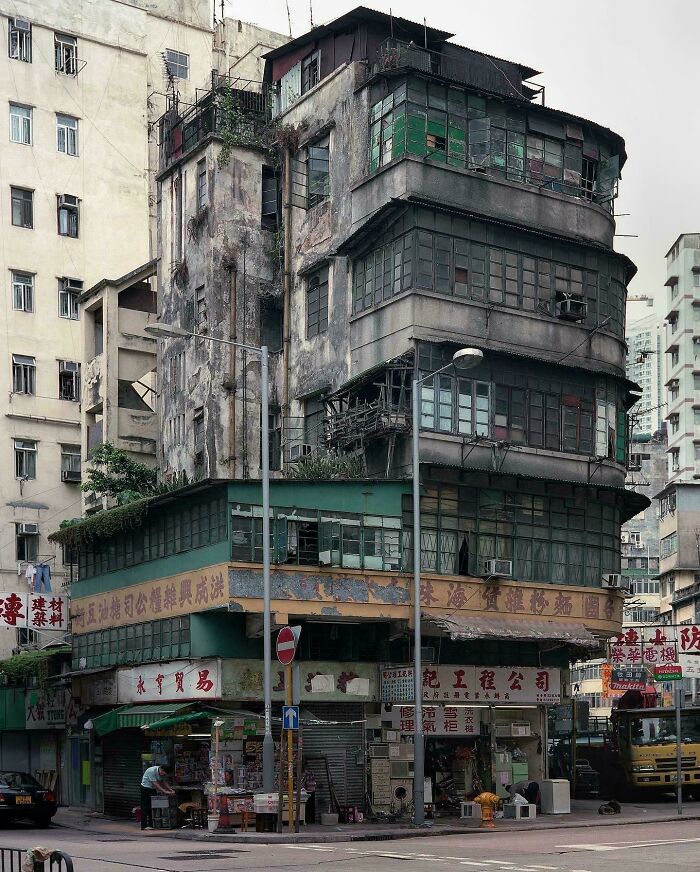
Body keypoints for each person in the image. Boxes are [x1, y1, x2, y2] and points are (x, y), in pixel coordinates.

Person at [140, 765, 175, 830]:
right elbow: (155, 783)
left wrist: (171, 790)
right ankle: (144, 825)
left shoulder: (162, 773)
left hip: (152, 789)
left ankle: (151, 824)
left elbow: (164, 782)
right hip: (146, 788)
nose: (164, 774)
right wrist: (165, 791)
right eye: (164, 773)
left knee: (153, 806)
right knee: (145, 807)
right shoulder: (151, 771)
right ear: (161, 769)